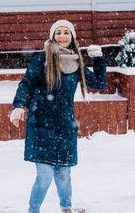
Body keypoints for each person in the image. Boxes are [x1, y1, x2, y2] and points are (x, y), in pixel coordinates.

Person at [9, 20, 106, 213]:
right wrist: (19, 106)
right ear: (53, 36)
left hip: (64, 125)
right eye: (59, 32)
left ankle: (66, 208)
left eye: (66, 33)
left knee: (63, 174)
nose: (62, 36)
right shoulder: (42, 59)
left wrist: (98, 59)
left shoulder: (76, 63)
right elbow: (27, 84)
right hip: (40, 123)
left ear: (72, 37)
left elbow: (99, 83)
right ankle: (33, 210)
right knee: (44, 175)